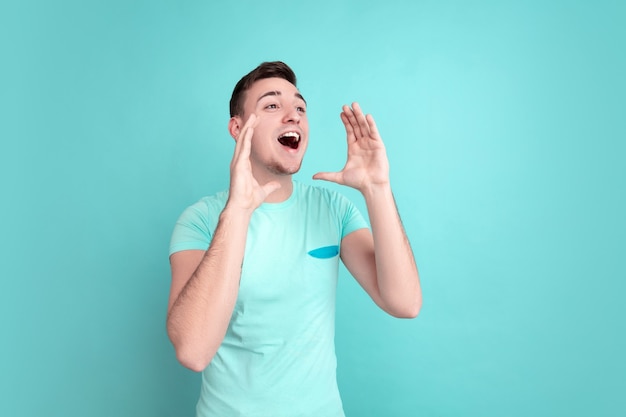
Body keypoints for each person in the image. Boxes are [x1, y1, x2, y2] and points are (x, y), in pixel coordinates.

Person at [167, 61, 422, 417]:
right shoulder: (200, 221)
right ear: (238, 128)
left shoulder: (333, 209)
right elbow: (193, 351)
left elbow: (405, 303)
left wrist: (377, 188)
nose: (293, 115)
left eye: (300, 107)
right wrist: (238, 212)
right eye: (272, 105)